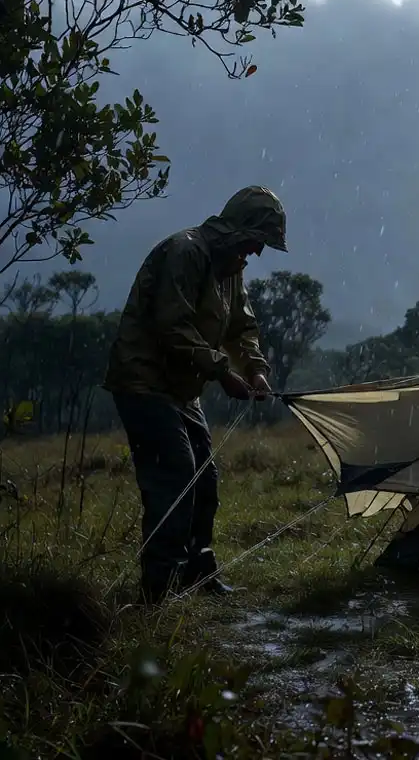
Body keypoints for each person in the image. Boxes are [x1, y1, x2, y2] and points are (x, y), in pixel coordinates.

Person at [102, 185, 287, 604]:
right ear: (238, 230)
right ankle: (160, 589)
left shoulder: (231, 268)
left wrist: (256, 370)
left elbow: (242, 329)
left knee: (205, 482)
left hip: (183, 391)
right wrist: (223, 372)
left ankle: (198, 574)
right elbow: (173, 328)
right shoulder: (185, 252)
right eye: (258, 241)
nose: (257, 253)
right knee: (174, 479)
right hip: (144, 383)